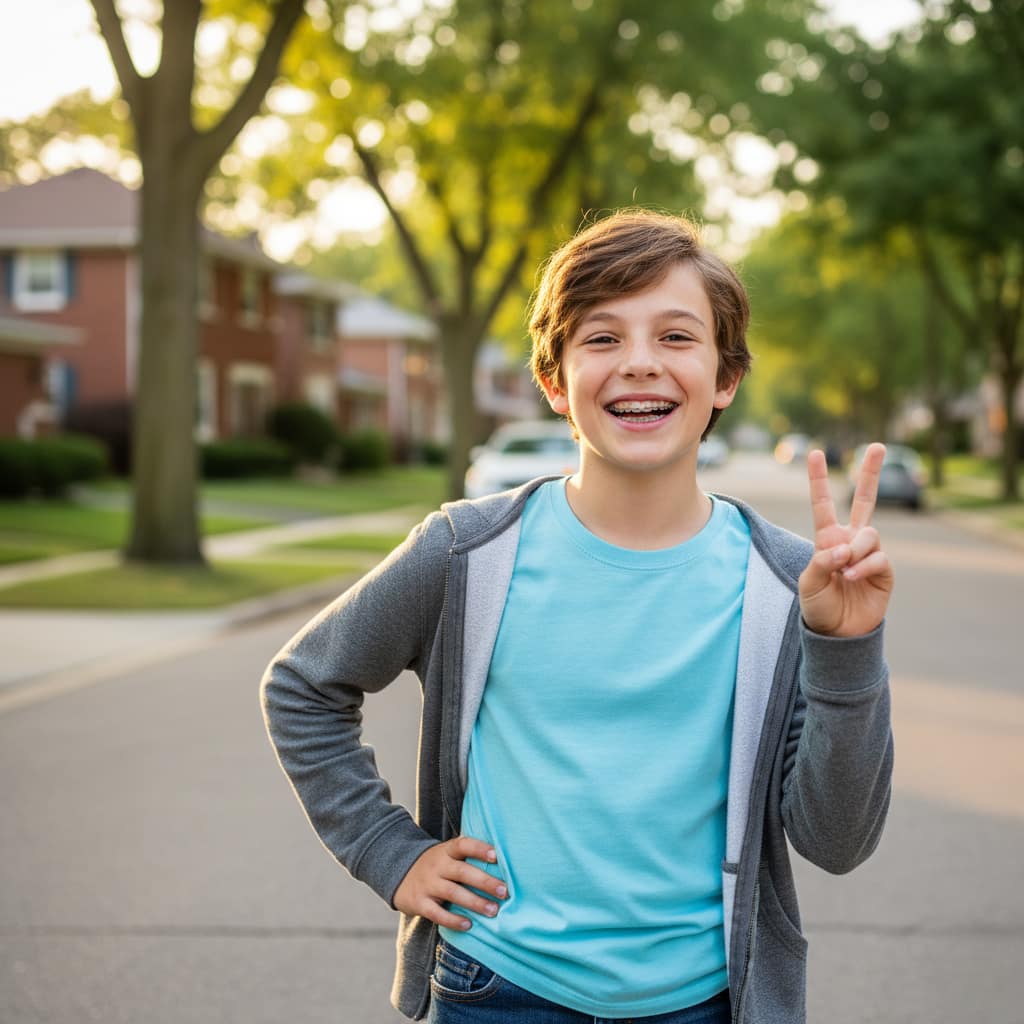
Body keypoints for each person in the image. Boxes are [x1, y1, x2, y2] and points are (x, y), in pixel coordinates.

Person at [261, 210, 894, 1024]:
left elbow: (836, 841)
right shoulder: (467, 554)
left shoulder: (786, 583)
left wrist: (846, 650)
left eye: (676, 337)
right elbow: (303, 687)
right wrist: (391, 852)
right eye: (601, 339)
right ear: (555, 380)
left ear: (725, 377)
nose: (639, 364)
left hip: (705, 1002)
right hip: (496, 990)